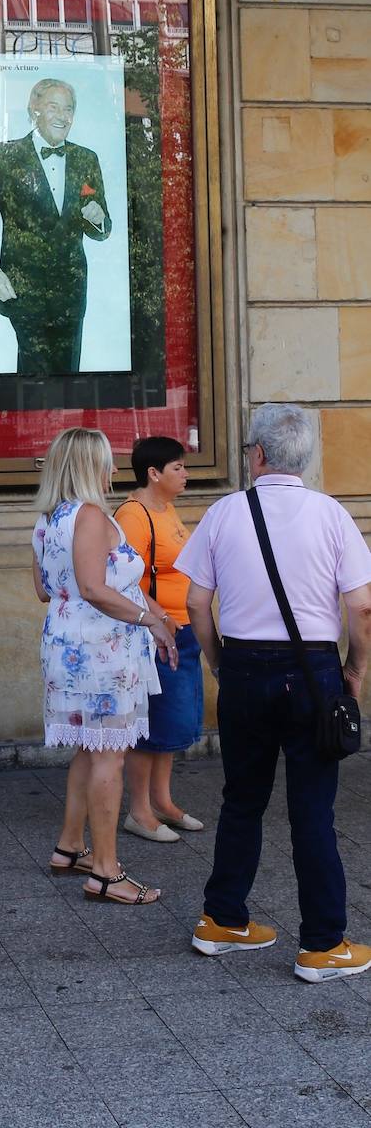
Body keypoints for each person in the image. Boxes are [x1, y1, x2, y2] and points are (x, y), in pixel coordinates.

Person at [177, 403, 371, 981]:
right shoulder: (331, 514)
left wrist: (217, 661)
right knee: (312, 809)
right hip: (313, 670)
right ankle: (322, 945)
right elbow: (360, 604)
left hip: (241, 665)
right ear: (303, 458)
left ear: (258, 455)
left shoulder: (223, 512)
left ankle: (224, 919)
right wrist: (355, 670)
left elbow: (194, 603)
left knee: (242, 798)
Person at [32, 427, 177, 905]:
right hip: (101, 653)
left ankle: (70, 846)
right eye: (106, 460)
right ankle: (106, 872)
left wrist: (154, 614)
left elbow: (45, 590)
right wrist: (146, 620)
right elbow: (95, 587)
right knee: (109, 756)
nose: (114, 469)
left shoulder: (48, 518)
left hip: (69, 645)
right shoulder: (92, 516)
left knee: (90, 749)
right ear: (88, 465)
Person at [0, 77, 111, 376]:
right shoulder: (3, 157)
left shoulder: (86, 159)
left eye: (68, 109)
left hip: (71, 293)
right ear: (35, 111)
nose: (62, 116)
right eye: (53, 107)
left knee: (68, 378)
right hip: (23, 292)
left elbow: (102, 230)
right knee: (34, 379)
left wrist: (98, 219)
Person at [115, 437, 204, 842]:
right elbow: (125, 580)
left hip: (182, 630)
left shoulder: (165, 510)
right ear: (153, 473)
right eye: (178, 468)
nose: (185, 474)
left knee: (170, 722)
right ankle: (139, 811)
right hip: (158, 633)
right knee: (150, 724)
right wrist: (162, 618)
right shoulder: (134, 515)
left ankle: (163, 802)